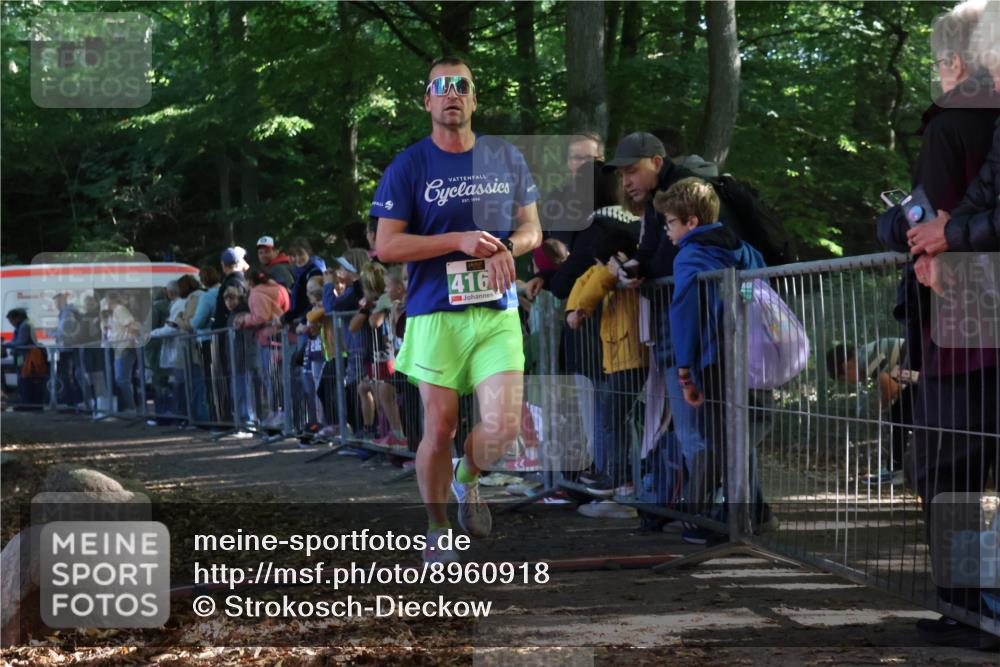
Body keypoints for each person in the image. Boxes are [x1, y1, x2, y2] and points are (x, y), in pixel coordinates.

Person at [372, 56, 542, 564]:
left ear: (473, 97)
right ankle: (437, 527)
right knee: (440, 427)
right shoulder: (409, 165)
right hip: (434, 313)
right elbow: (387, 247)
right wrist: (459, 241)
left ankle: (468, 479)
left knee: (504, 427)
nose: (451, 94)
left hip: (496, 312)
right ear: (427, 100)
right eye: (439, 87)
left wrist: (510, 247)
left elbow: (534, 230)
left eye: (460, 86)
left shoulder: (505, 157)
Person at [875, 0, 1000, 648]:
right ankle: (970, 606)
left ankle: (971, 607)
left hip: (962, 329)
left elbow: (930, 223)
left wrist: (902, 227)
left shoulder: (954, 123)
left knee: (946, 469)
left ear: (954, 60)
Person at [653, 177, 769, 543]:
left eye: (670, 222)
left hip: (714, 360)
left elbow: (684, 310)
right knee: (740, 437)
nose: (666, 230)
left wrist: (685, 369)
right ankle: (748, 512)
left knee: (720, 440)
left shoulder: (690, 254)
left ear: (690, 221)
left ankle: (727, 520)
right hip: (750, 357)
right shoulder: (745, 249)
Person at [564, 226, 647, 513]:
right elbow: (585, 280)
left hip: (629, 357)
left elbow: (595, 283)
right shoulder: (609, 272)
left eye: (602, 263)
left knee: (614, 419)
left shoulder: (621, 271)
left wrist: (581, 308)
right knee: (614, 419)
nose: (598, 269)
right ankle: (619, 480)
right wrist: (574, 309)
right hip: (618, 357)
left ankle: (617, 478)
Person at [826, 338, 915, 485]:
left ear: (847, 365)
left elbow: (892, 388)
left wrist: (881, 405)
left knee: (899, 415)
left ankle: (897, 469)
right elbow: (898, 383)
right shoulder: (866, 354)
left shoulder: (864, 359)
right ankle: (897, 467)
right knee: (900, 415)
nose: (849, 382)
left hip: (920, 362)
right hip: (917, 366)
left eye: (844, 378)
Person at [104, 291, 141, 414]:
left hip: (124, 348)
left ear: (109, 300)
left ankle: (131, 408)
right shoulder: (114, 313)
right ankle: (129, 407)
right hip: (119, 348)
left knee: (122, 379)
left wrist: (129, 343)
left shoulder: (119, 310)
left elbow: (132, 325)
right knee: (121, 379)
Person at [3, 308, 46, 408]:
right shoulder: (21, 325)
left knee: (25, 379)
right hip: (22, 357)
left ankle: (28, 403)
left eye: (11, 320)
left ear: (17, 318)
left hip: (26, 357)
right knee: (23, 379)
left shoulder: (25, 325)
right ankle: (26, 402)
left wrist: (7, 345)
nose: (11, 323)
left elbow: (21, 342)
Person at [282, 238, 326, 326]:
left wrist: (303, 320)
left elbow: (315, 302)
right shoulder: (299, 274)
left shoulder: (314, 272)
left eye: (301, 254)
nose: (298, 258)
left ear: (308, 252)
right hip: (303, 322)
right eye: (294, 255)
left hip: (310, 323)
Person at [213, 247, 250, 331]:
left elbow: (232, 306)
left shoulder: (231, 283)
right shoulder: (244, 280)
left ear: (223, 265)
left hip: (230, 329)